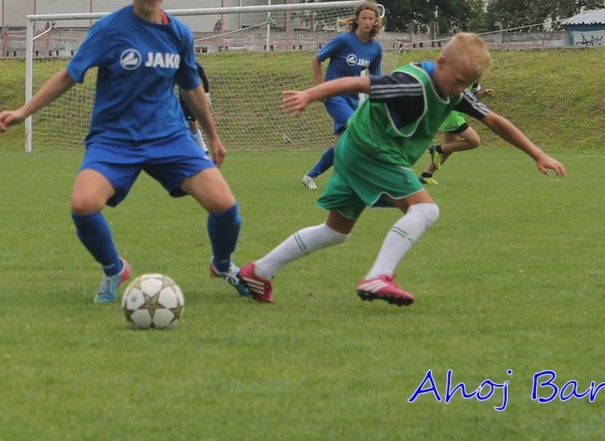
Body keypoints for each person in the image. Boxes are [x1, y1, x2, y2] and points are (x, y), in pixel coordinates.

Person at [0, 0, 251, 303]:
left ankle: (223, 265)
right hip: (114, 139)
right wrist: (23, 111)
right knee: (83, 205)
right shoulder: (110, 30)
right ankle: (114, 268)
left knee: (226, 208)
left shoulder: (178, 34)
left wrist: (214, 136)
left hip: (169, 137)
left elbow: (191, 87)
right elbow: (69, 75)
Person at [238, 33, 564, 306]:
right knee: (425, 209)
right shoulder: (410, 84)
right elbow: (358, 82)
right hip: (371, 151)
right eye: (459, 81)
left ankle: (258, 271)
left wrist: (536, 153)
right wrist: (309, 94)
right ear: (441, 63)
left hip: (358, 150)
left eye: (468, 83)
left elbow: (493, 120)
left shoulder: (454, 91)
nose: (461, 89)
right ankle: (378, 276)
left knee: (334, 232)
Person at [301, 0, 383, 189]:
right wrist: (320, 88)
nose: (367, 22)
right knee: (357, 129)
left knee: (340, 142)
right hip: (333, 95)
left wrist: (379, 100)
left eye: (371, 18)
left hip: (353, 99)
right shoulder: (344, 40)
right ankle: (355, 177)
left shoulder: (375, 48)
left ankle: (310, 176)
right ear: (357, 20)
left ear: (375, 22)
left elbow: (376, 78)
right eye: (364, 18)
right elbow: (317, 59)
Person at [419, 82, 495, 185]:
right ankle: (437, 149)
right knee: (474, 141)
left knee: (450, 147)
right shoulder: (456, 75)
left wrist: (483, 94)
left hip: (459, 113)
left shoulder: (474, 77)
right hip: (451, 114)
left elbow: (472, 96)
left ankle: (426, 175)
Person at [178, 61, 211, 155]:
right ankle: (190, 147)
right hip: (182, 98)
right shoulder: (177, 65)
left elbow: (204, 80)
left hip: (194, 98)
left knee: (191, 122)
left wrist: (207, 95)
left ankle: (203, 148)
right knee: (182, 123)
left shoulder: (196, 65)